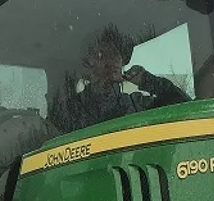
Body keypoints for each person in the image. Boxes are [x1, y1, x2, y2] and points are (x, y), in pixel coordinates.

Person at [49, 24, 189, 134]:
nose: (112, 59)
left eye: (116, 53)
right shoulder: (71, 109)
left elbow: (184, 109)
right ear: (88, 63)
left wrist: (148, 81)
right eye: (101, 54)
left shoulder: (137, 104)